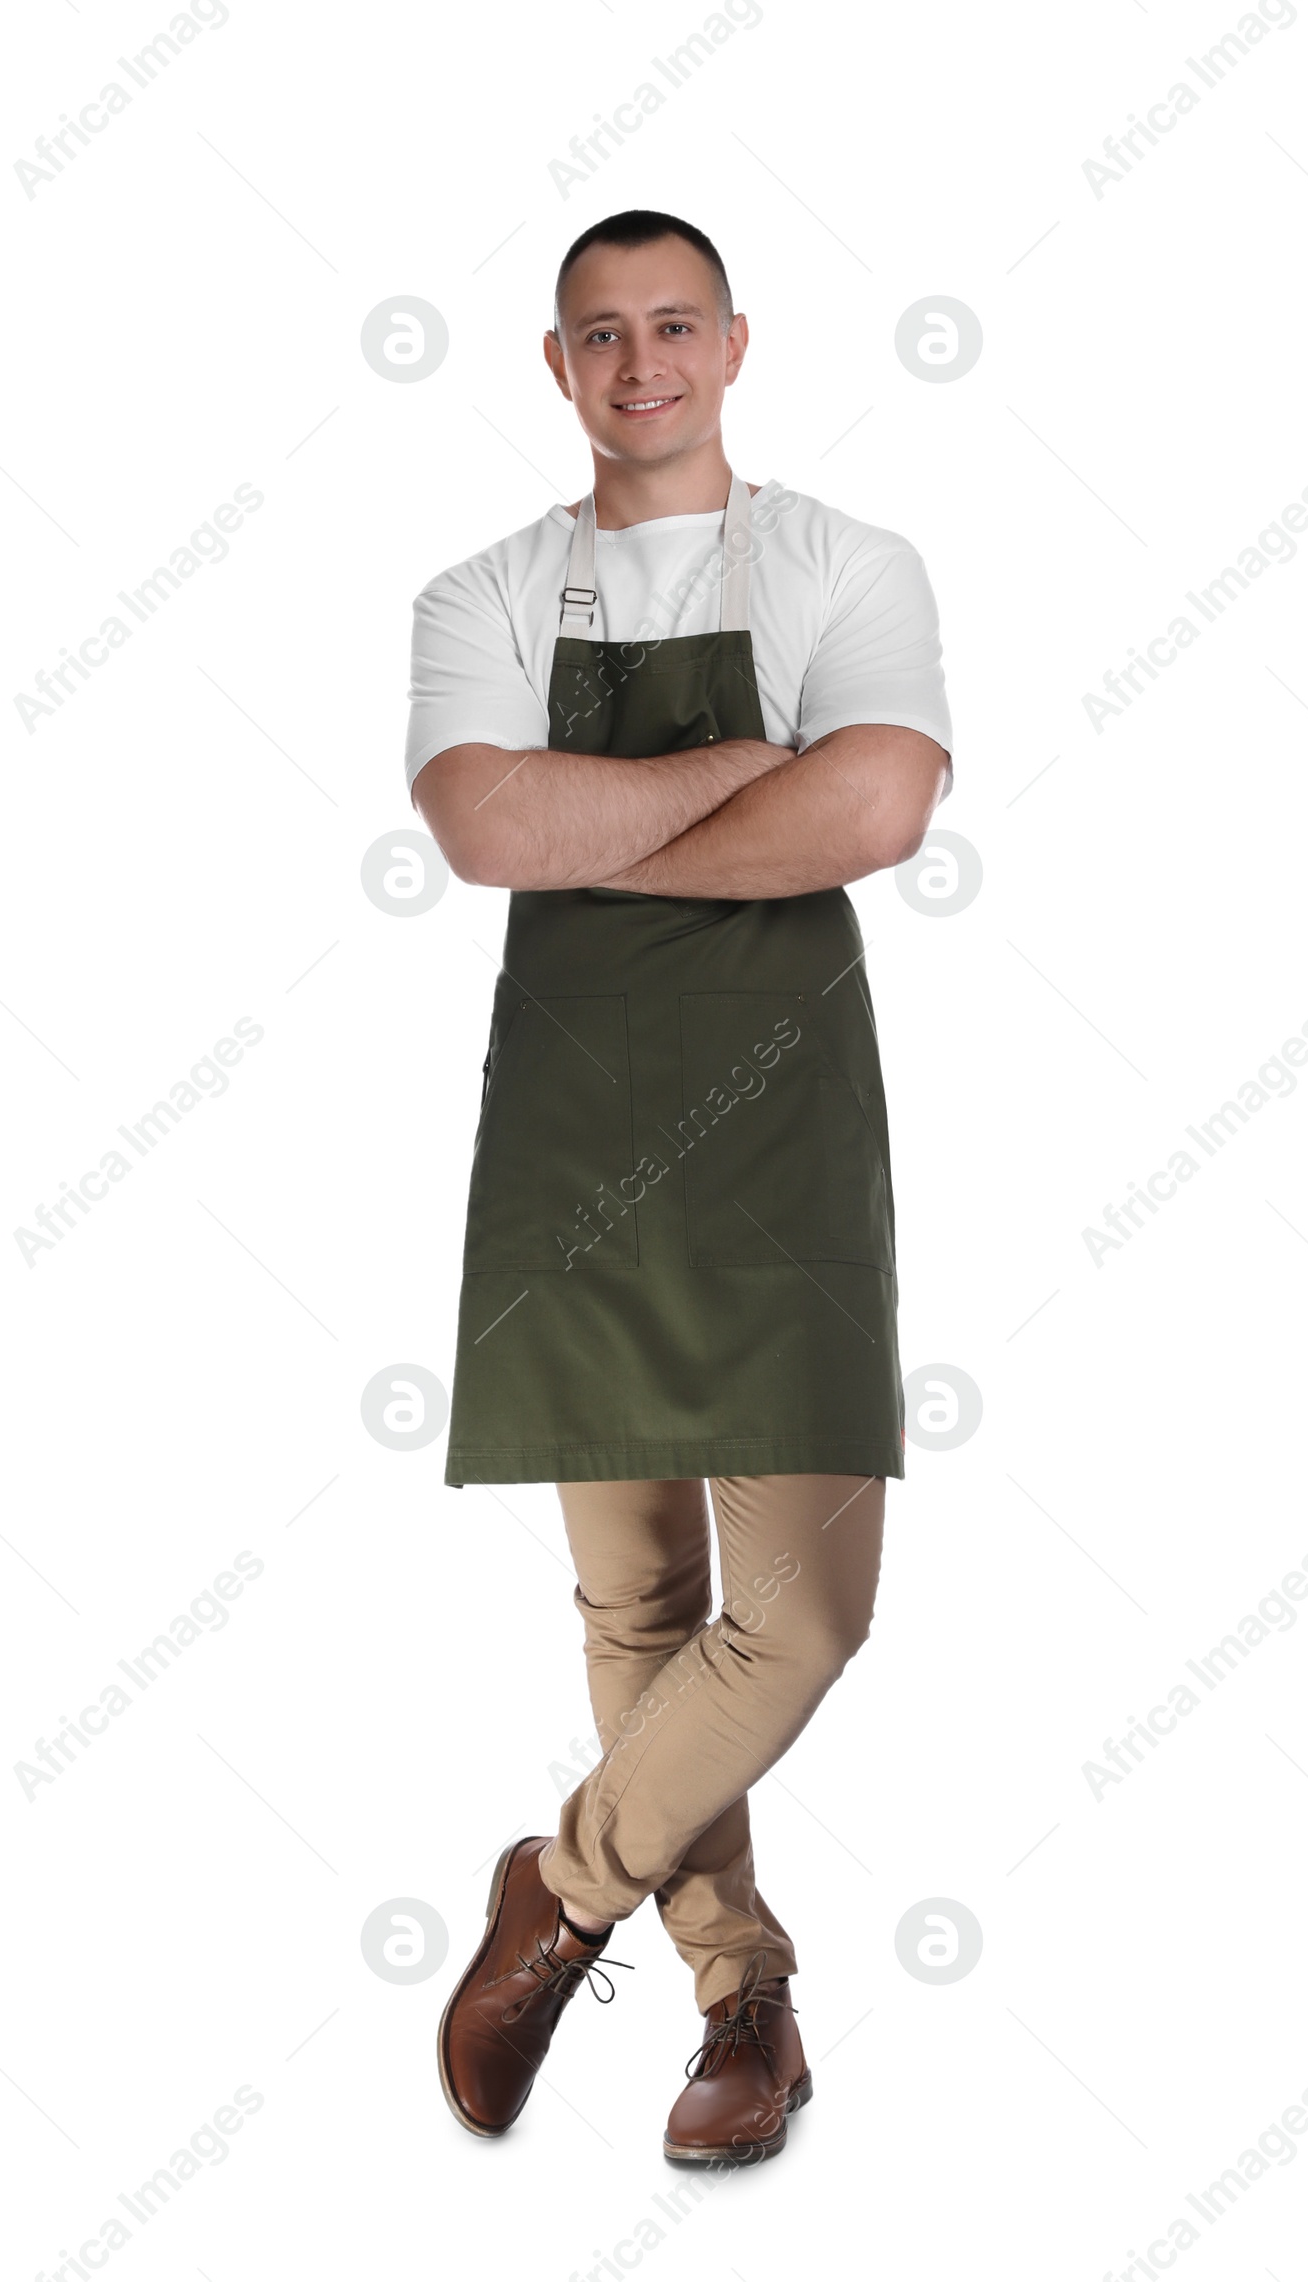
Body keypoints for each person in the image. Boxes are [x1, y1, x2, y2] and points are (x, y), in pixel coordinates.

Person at [408, 208, 953, 2165]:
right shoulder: (480, 590)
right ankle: (745, 2008)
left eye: (672, 327)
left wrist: (593, 830)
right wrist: (742, 771)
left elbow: (877, 803)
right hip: (574, 1130)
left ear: (731, 345)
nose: (638, 363)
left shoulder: (838, 561)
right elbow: (482, 823)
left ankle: (554, 1897)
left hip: (783, 1138)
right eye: (598, 334)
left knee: (800, 1618)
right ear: (558, 367)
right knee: (633, 1597)